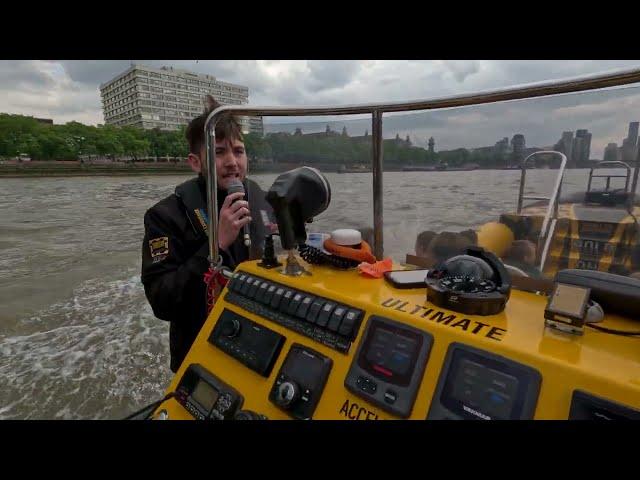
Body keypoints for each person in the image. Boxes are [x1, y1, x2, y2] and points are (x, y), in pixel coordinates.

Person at [141, 96, 274, 373]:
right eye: (219, 152)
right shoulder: (165, 216)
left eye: (238, 151)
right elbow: (162, 302)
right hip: (201, 352)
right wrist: (215, 244)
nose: (231, 162)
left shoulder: (262, 198)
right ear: (195, 162)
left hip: (260, 346)